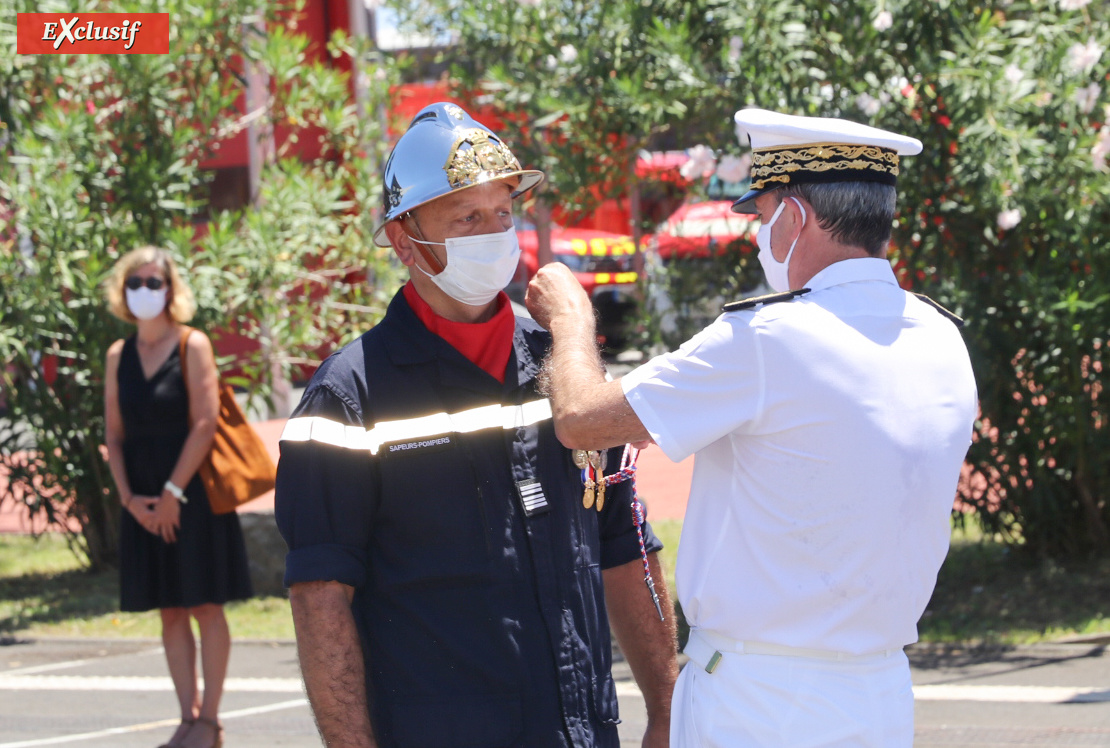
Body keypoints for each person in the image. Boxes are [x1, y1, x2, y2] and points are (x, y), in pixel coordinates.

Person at [525, 108, 979, 748]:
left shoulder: (767, 339)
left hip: (762, 702)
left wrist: (573, 322)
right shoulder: (940, 335)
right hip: (879, 693)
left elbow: (580, 421)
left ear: (795, 218)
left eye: (764, 216)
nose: (761, 234)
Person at [274, 102, 678, 748]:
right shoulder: (348, 399)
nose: (495, 235)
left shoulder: (562, 370)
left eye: (502, 213)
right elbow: (321, 604)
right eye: (467, 217)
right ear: (405, 241)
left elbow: (626, 545)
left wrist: (667, 710)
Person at [104, 246, 253, 748]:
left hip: (193, 498)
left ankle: (210, 721)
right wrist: (130, 500)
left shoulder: (193, 344)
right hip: (142, 503)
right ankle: (186, 717)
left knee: (205, 605)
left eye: (154, 282)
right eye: (135, 283)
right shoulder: (117, 356)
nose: (145, 291)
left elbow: (206, 423)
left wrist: (171, 493)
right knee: (169, 610)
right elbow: (114, 435)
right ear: (123, 291)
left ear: (171, 290)